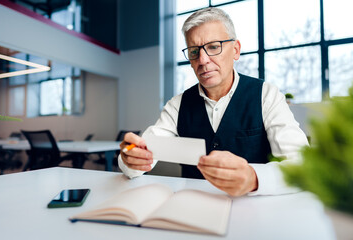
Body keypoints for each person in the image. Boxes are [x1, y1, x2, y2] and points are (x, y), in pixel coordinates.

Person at [118, 7, 309, 196]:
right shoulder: (177, 105)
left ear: (235, 50)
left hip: (252, 212)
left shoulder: (266, 95)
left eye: (213, 47)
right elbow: (138, 154)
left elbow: (302, 165)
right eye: (194, 51)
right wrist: (129, 156)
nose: (203, 60)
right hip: (192, 210)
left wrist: (254, 178)